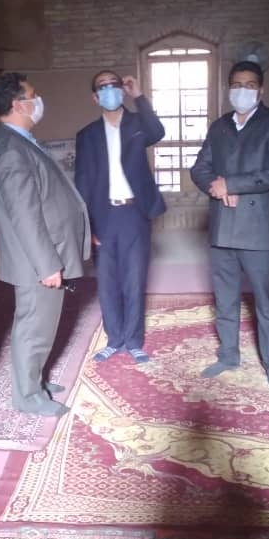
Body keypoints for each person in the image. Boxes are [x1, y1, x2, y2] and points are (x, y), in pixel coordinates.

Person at [0, 72, 91, 416]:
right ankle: (28, 396)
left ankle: (36, 380)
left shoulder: (19, 140)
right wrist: (46, 264)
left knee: (43, 326)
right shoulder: (10, 148)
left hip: (46, 254)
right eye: (34, 95)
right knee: (34, 328)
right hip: (36, 261)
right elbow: (25, 214)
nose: (39, 101)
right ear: (19, 104)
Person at [190, 59, 269, 387]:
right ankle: (228, 355)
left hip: (259, 230)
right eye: (236, 85)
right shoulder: (219, 126)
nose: (242, 91)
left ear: (261, 90)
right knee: (225, 300)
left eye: (250, 86)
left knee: (267, 302)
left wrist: (231, 185)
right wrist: (216, 186)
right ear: (228, 89)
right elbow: (199, 168)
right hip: (222, 228)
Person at [74, 70, 166, 363]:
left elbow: (158, 132)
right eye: (102, 87)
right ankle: (114, 339)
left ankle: (134, 340)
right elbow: (83, 182)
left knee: (134, 279)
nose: (109, 90)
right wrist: (88, 226)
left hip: (134, 213)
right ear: (95, 97)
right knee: (107, 282)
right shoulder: (87, 135)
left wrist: (139, 97)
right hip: (104, 215)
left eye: (114, 85)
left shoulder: (138, 124)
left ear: (122, 89)